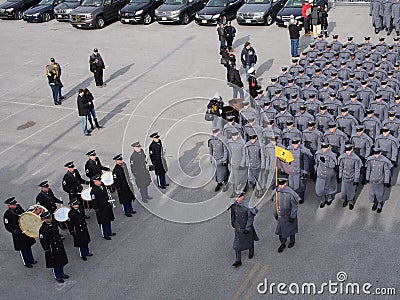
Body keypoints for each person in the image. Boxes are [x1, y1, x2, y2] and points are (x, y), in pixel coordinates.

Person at [3, 197, 37, 268]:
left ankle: (31, 260)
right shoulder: (7, 214)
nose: (15, 205)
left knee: (28, 246)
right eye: (13, 204)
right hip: (18, 234)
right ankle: (26, 262)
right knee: (23, 249)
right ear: (9, 206)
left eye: (15, 204)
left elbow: (24, 214)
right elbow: (8, 226)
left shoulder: (18, 208)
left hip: (24, 230)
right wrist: (15, 232)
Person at [229, 191, 258, 267]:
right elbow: (233, 215)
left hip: (246, 227)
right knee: (237, 244)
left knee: (249, 240)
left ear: (243, 197)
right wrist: (233, 222)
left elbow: (250, 218)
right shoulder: (234, 205)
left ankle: (251, 251)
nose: (237, 199)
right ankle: (238, 260)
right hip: (238, 227)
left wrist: (248, 228)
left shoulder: (247, 206)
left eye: (238, 197)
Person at [39, 211, 69, 283]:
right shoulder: (43, 229)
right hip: (52, 247)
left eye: (50, 217)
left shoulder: (54, 224)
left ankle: (62, 273)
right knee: (55, 263)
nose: (50, 219)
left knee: (60, 260)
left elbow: (57, 234)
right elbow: (43, 241)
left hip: (58, 244)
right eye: (48, 218)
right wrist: (47, 250)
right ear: (45, 219)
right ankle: (57, 276)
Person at [272, 178, 300, 253]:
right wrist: (275, 214)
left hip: (289, 214)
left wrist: (292, 216)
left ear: (286, 183)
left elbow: (294, 205)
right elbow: (275, 204)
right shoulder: (276, 192)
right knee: (281, 231)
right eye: (280, 184)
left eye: (282, 184)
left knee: (291, 229)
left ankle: (292, 241)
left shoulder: (291, 193)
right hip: (281, 215)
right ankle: (282, 243)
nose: (281, 187)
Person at [365, 148, 392, 213]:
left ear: (380, 153)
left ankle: (379, 205)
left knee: (380, 194)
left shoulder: (384, 161)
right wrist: (367, 178)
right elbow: (368, 169)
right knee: (373, 193)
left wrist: (386, 181)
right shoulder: (370, 160)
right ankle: (375, 203)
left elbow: (386, 171)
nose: (376, 156)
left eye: (377, 154)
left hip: (380, 180)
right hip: (372, 179)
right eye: (375, 154)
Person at [90, 175, 116, 240]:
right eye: (99, 181)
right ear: (95, 182)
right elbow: (94, 202)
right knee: (103, 222)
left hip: (106, 205)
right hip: (101, 208)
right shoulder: (94, 191)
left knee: (108, 219)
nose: (100, 181)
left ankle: (109, 232)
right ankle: (105, 234)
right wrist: (97, 210)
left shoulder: (102, 185)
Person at [287, 138, 312, 204]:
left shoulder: (303, 150)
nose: (294, 145)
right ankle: (293, 196)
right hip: (292, 169)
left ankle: (301, 197)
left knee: (301, 184)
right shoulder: (289, 149)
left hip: (300, 170)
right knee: (291, 184)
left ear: (299, 143)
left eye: (296, 143)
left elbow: (306, 161)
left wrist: (305, 171)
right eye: (293, 143)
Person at [338, 145, 362, 210]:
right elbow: (341, 167)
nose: (348, 152)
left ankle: (351, 202)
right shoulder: (342, 157)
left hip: (352, 178)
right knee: (343, 191)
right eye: (346, 151)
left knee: (351, 192)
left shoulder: (355, 159)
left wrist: (356, 180)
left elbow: (357, 170)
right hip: (344, 177)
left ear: (352, 150)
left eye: (349, 151)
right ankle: (345, 199)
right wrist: (340, 176)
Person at [315, 143, 337, 208]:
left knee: (329, 186)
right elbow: (316, 162)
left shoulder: (332, 155)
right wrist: (315, 170)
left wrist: (325, 162)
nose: (323, 149)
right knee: (320, 188)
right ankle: (323, 200)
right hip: (320, 173)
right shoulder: (318, 153)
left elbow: (332, 165)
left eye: (325, 148)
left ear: (328, 147)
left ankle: (329, 198)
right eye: (323, 148)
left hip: (329, 174)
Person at [227, 130, 248, 197]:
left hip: (240, 164)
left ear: (238, 135)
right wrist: (230, 161)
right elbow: (229, 153)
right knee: (233, 179)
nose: (234, 137)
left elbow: (244, 154)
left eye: (235, 136)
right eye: (233, 136)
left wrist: (242, 164)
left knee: (242, 178)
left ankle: (243, 189)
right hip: (234, 163)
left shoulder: (242, 142)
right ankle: (234, 191)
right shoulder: (229, 142)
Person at [208, 128, 229, 192]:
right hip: (215, 159)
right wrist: (211, 158)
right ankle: (219, 184)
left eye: (216, 132)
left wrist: (225, 160)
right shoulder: (211, 140)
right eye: (214, 133)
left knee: (224, 173)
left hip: (222, 159)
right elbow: (211, 150)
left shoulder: (222, 139)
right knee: (217, 173)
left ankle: (226, 184)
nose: (216, 134)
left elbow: (225, 150)